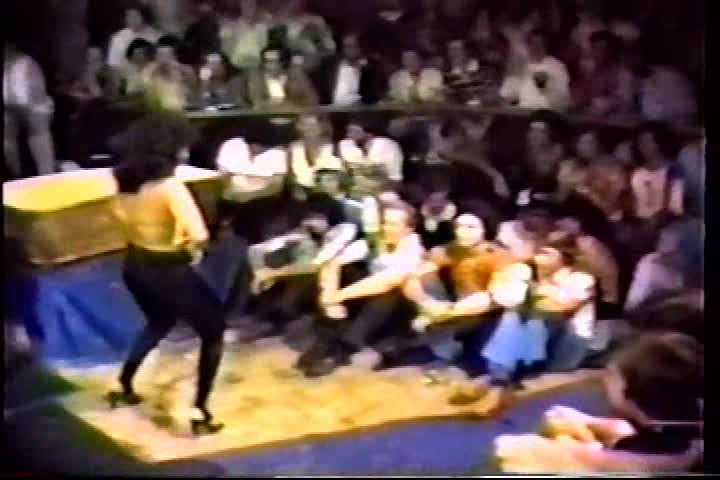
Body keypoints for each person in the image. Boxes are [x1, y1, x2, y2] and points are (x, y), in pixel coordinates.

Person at [105, 113, 237, 435]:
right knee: (214, 331)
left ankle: (123, 385)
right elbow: (200, 234)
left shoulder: (124, 184)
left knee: (158, 322)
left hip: (135, 265)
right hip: (167, 270)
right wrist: (189, 248)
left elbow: (121, 220)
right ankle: (200, 412)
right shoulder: (169, 187)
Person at [494, 332, 703, 473]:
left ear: (628, 390)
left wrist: (575, 456)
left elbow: (509, 451)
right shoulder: (685, 429)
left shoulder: (651, 460)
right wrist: (606, 428)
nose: (605, 379)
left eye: (612, 375)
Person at [300, 201, 425, 376]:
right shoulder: (376, 239)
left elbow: (387, 281)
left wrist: (338, 296)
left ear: (408, 229)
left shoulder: (413, 248)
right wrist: (329, 298)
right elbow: (333, 261)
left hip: (400, 311)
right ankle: (326, 339)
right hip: (368, 297)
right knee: (347, 270)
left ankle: (342, 351)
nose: (386, 228)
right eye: (384, 222)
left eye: (393, 224)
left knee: (388, 294)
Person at [406, 214, 512, 365]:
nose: (463, 232)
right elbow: (413, 278)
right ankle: (442, 348)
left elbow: (494, 297)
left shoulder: (499, 254)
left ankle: (440, 345)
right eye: (459, 226)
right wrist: (425, 302)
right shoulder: (449, 249)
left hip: (488, 312)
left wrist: (442, 314)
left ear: (485, 230)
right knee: (425, 279)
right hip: (452, 307)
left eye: (471, 227)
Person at [214, 136, 288, 242]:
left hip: (263, 207)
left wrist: (247, 192)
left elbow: (275, 187)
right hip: (232, 206)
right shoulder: (233, 146)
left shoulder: (277, 153)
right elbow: (226, 181)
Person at [4, 43, 57, 177]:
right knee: (7, 135)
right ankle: (14, 175)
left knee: (38, 124)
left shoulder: (25, 64)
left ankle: (47, 176)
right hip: (10, 107)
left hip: (33, 104)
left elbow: (38, 107)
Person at [500, 29, 571, 112]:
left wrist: (545, 88)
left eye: (540, 44)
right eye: (532, 43)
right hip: (521, 114)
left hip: (546, 114)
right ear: (528, 46)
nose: (536, 47)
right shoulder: (521, 65)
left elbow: (564, 99)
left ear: (546, 46)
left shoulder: (557, 67)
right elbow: (507, 94)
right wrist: (512, 91)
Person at [313, 33, 387, 106]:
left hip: (361, 110)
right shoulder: (330, 64)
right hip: (331, 110)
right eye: (345, 46)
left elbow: (377, 94)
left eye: (351, 46)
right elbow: (319, 90)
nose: (347, 50)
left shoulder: (373, 67)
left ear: (360, 47)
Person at [338, 120, 405, 187]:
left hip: (383, 188)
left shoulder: (387, 146)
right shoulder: (345, 145)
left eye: (354, 131)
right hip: (356, 188)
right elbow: (344, 173)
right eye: (348, 131)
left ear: (369, 133)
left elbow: (396, 180)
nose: (349, 135)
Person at [248, 49, 318, 108]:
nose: (273, 66)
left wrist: (292, 105)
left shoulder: (297, 76)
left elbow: (313, 100)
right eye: (268, 62)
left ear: (284, 62)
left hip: (295, 115)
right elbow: (257, 103)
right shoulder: (257, 78)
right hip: (265, 117)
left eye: (276, 61)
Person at [141, 36, 197, 111]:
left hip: (181, 109)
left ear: (174, 56)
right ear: (156, 56)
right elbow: (145, 85)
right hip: (158, 110)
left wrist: (179, 69)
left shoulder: (184, 70)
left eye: (167, 55)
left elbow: (192, 89)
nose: (164, 58)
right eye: (160, 55)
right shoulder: (150, 70)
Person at [220, 0, 271, 70]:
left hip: (254, 63)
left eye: (251, 5)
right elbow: (225, 47)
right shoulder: (231, 26)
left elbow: (263, 45)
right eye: (246, 5)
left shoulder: (262, 26)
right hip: (236, 64)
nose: (248, 8)